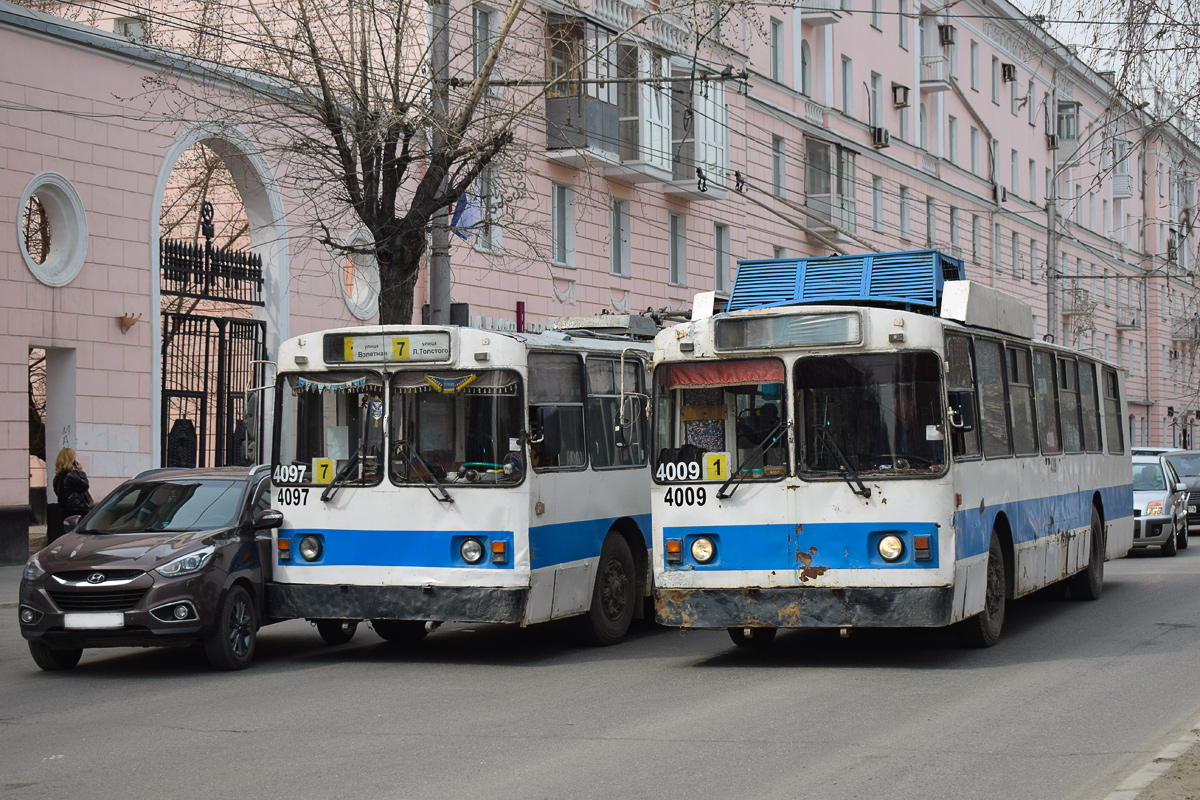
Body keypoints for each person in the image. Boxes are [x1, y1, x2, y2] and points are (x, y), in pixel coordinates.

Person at [52, 447, 91, 520]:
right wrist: (81, 472)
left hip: (65, 509)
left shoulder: (58, 477)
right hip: (77, 509)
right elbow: (85, 485)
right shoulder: (70, 475)